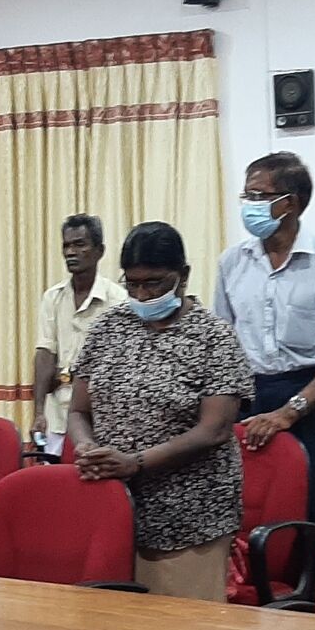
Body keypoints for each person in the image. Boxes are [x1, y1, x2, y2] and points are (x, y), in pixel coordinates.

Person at [69, 222, 253, 601]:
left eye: (154, 283)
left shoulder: (213, 337)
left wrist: (136, 462)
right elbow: (78, 412)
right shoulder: (107, 329)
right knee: (111, 626)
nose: (142, 294)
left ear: (183, 275)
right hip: (112, 508)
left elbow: (215, 429)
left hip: (189, 514)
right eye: (132, 283)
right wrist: (86, 446)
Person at [214, 151, 315, 528]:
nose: (249, 205)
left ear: (290, 203)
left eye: (258, 196)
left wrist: (290, 411)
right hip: (248, 400)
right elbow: (221, 344)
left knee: (313, 514)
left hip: (309, 400)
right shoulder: (232, 262)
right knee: (248, 511)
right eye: (246, 196)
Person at [32, 214, 126, 456]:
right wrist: (39, 412)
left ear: (99, 251)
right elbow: (45, 352)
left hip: (100, 417)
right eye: (66, 246)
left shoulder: (118, 301)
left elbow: (116, 366)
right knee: (52, 476)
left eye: (79, 244)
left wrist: (65, 374)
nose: (70, 252)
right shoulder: (52, 298)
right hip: (56, 415)